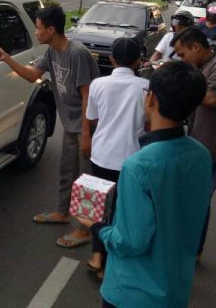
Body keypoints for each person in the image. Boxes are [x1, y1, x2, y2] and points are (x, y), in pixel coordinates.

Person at [77, 61, 212, 308]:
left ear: (151, 99)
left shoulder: (138, 166)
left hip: (131, 292)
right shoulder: (202, 155)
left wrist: (96, 226)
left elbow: (129, 241)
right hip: (175, 287)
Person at [0, 5, 100, 248]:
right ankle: (63, 213)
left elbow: (88, 95)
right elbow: (33, 75)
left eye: (39, 28)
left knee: (87, 180)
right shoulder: (52, 52)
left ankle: (85, 230)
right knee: (66, 172)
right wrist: (5, 58)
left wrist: (86, 133)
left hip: (88, 126)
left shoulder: (77, 53)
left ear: (51, 29)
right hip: (72, 125)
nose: (36, 32)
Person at [171, 28, 216, 259]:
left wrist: (181, 87)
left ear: (196, 47)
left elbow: (213, 98)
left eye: (182, 54)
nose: (182, 59)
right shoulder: (200, 66)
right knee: (195, 199)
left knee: (197, 201)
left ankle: (191, 252)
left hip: (215, 149)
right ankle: (192, 249)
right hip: (199, 145)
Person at [84, 38, 149, 276]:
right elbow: (150, 123)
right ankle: (111, 262)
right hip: (132, 159)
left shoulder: (98, 84)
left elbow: (92, 117)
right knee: (123, 210)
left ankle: (96, 256)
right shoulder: (146, 87)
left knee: (100, 207)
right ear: (138, 61)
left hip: (101, 155)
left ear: (111, 59)